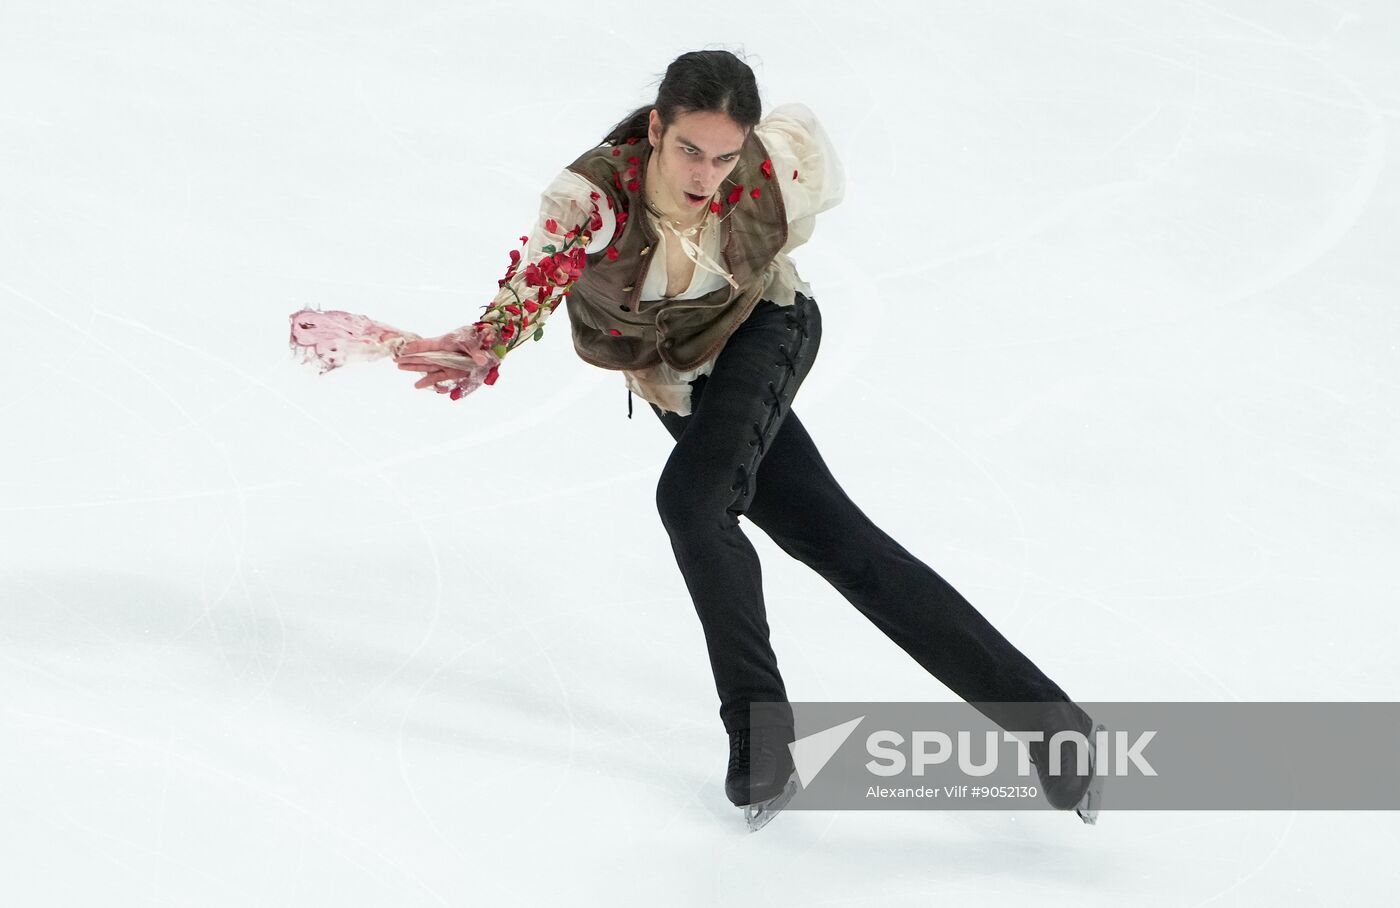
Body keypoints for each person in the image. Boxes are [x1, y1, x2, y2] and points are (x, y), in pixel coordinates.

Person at [330, 49, 1099, 826]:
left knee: (693, 503)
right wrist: (485, 346)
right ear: (655, 130)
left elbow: (778, 205)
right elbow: (533, 284)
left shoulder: (768, 173)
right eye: (689, 150)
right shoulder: (593, 202)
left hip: (767, 330)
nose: (706, 175)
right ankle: (1052, 724)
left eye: (725, 156)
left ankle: (762, 738)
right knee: (839, 542)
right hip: (677, 374)